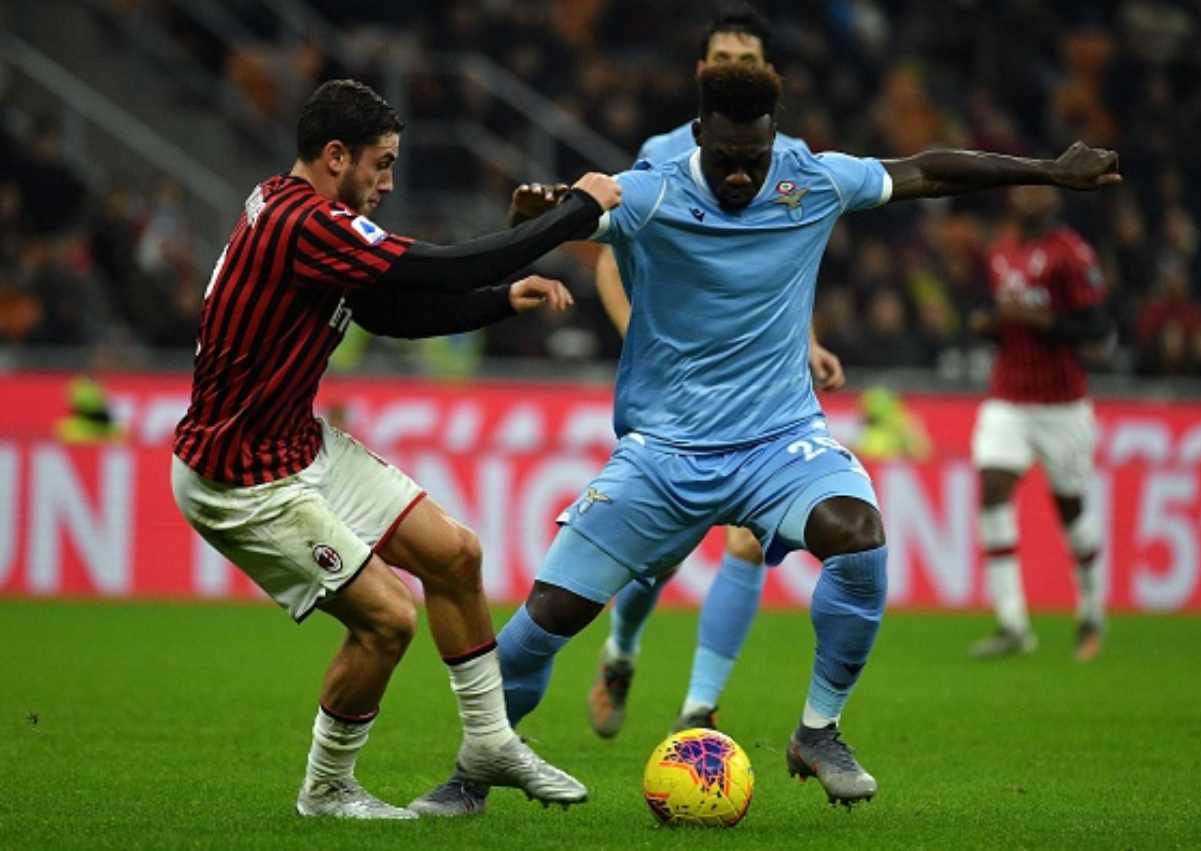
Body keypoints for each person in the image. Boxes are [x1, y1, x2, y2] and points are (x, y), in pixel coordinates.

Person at [419, 63, 1119, 814]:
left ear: (772, 138)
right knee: (542, 624)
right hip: (663, 454)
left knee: (860, 535)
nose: (741, 175)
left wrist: (1048, 170)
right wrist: (540, 214)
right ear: (698, 136)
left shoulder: (810, 178)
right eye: (725, 159)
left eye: (754, 158)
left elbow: (928, 171)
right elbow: (576, 217)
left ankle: (819, 729)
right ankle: (472, 772)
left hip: (778, 444)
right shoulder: (652, 191)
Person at [169, 79, 620, 820]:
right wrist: (580, 210)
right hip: (239, 475)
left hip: (293, 442)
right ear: (335, 155)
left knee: (455, 554)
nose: (387, 182)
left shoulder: (302, 215)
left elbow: (393, 312)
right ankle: (326, 789)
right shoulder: (303, 223)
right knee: (388, 618)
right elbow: (438, 267)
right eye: (380, 164)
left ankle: (489, 743)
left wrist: (503, 300)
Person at [588, 2, 847, 742]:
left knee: (744, 541)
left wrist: (808, 342)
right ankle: (622, 648)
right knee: (654, 560)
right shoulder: (662, 151)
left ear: (770, 76)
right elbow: (614, 255)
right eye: (724, 58)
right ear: (703, 72)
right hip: (675, 397)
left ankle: (699, 706)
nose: (735, 69)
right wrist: (640, 334)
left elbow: (774, 277)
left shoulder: (790, 158)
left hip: (762, 402)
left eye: (748, 60)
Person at [967, 185, 1112, 662]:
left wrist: (1038, 320)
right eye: (1024, 189)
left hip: (1062, 404)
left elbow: (1097, 329)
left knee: (1070, 508)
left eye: (1040, 190)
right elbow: (991, 314)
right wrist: (989, 324)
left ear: (1053, 201)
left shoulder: (1071, 253)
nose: (1030, 197)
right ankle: (1012, 623)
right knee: (991, 488)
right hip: (1008, 397)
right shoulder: (1001, 251)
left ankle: (1091, 609)